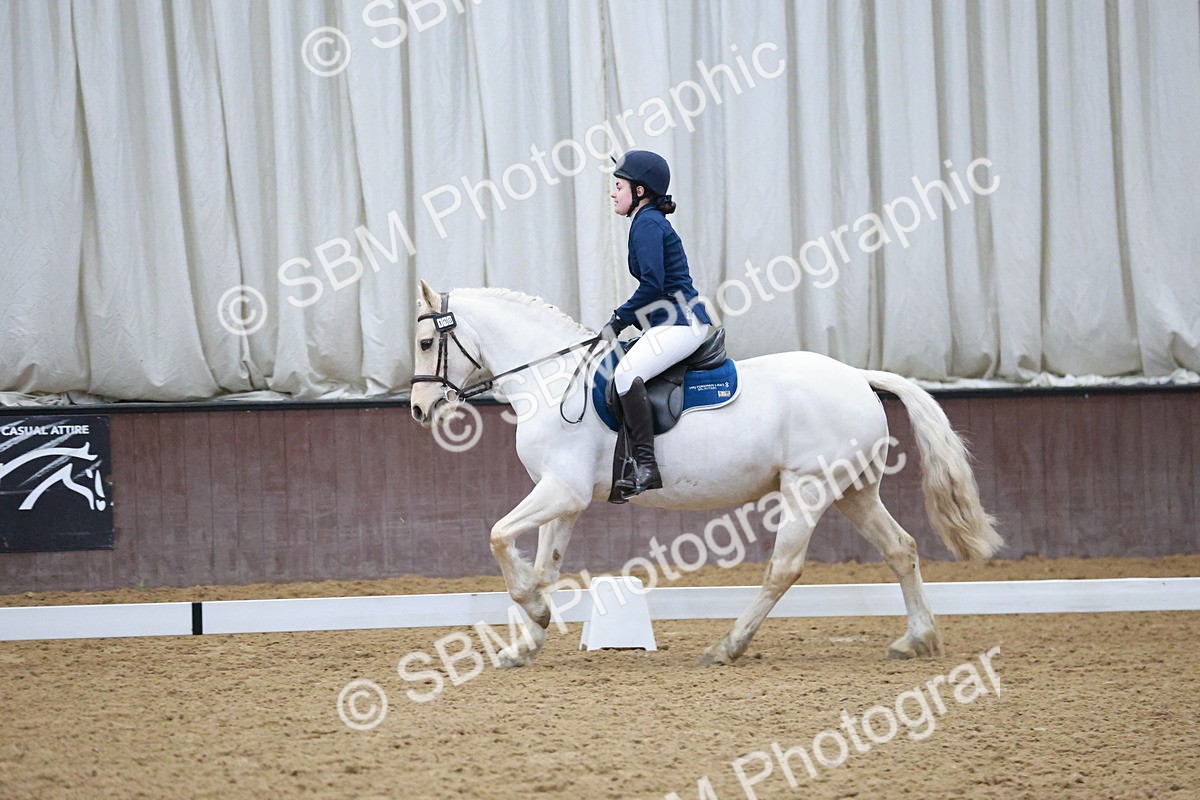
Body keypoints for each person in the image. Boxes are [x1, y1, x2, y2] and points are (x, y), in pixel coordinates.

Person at [600, 149, 713, 502]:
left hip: (682, 322)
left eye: (618, 186)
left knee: (623, 376)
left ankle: (646, 467)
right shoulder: (645, 220)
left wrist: (619, 319)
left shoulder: (647, 223)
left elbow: (652, 285)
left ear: (639, 191)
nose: (612, 193)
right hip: (671, 321)